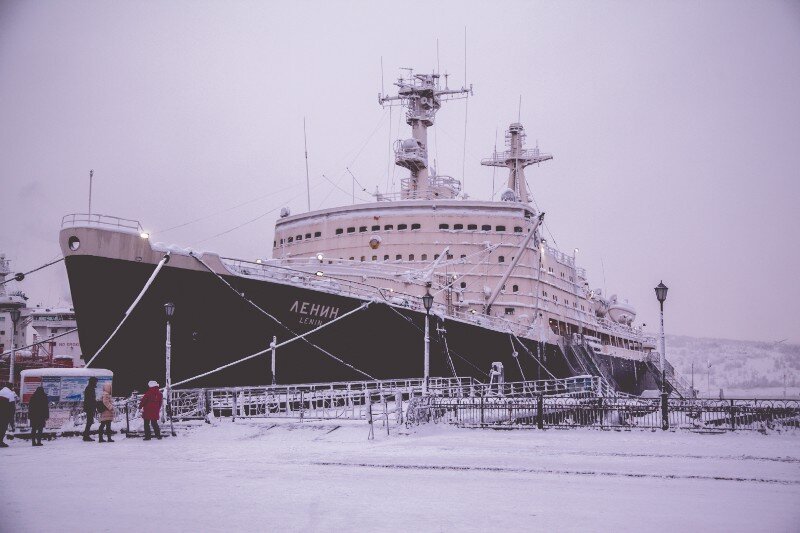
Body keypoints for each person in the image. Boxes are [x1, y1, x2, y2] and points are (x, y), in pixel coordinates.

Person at [0, 384, 17, 448]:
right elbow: (12, 408)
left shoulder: (1, 391)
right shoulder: (10, 394)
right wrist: (11, 419)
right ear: (11, 387)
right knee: (2, 428)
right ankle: (0, 442)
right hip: (5, 415)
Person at [83, 377, 98, 441]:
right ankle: (86, 436)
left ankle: (86, 435)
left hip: (90, 407)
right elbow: (90, 399)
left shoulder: (90, 388)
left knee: (90, 422)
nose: (96, 383)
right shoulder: (90, 388)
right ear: (93, 382)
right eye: (95, 382)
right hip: (90, 408)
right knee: (89, 422)